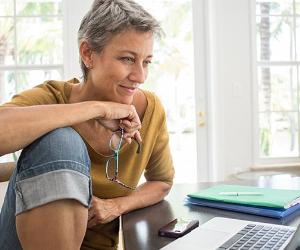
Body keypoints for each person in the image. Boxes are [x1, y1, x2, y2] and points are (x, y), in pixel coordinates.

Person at [0, 0, 174, 249]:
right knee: (60, 139)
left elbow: (162, 182)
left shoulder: (149, 109)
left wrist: (115, 207)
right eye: (127, 59)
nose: (140, 76)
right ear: (88, 54)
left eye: (146, 62)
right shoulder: (51, 97)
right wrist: (95, 109)